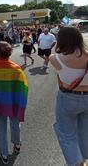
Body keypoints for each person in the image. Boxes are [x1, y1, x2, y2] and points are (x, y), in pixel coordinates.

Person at [49, 27, 88, 166]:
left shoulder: (57, 59)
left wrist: (57, 46)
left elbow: (53, 54)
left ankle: (76, 162)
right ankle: (82, 158)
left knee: (66, 134)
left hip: (68, 98)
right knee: (84, 132)